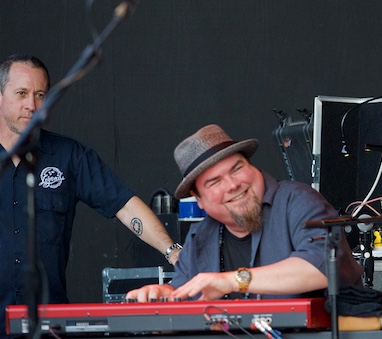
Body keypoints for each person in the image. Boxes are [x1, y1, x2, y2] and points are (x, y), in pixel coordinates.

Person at [0, 53, 182, 334]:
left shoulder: (68, 156)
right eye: (21, 93)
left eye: (40, 95)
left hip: (49, 324)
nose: (32, 105)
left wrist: (172, 252)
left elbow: (123, 204)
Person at [126, 124, 363, 302]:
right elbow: (184, 295)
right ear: (199, 200)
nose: (232, 185)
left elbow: (322, 267)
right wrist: (162, 296)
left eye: (237, 168)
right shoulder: (200, 236)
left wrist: (231, 280)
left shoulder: (298, 200)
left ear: (252, 166)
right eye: (214, 182)